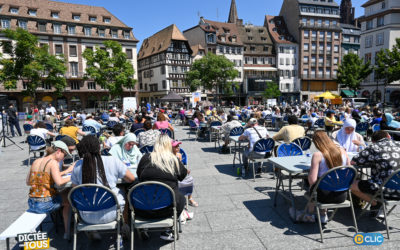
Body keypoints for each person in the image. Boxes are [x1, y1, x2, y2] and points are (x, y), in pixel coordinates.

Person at [71, 135, 135, 239]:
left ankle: (94, 231)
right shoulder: (112, 161)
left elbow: (75, 189)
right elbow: (131, 179)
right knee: (124, 190)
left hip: (86, 216)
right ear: (99, 147)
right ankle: (124, 225)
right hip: (112, 213)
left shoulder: (78, 165)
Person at [136, 135, 188, 241]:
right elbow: (182, 176)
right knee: (181, 198)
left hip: (143, 208)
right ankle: (167, 228)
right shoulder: (173, 159)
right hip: (167, 208)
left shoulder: (145, 157)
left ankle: (144, 226)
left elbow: (139, 176)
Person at [27, 141, 73, 239]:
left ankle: (60, 222)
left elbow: (28, 182)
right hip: (44, 204)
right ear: (59, 151)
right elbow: (60, 182)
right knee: (69, 198)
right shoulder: (53, 163)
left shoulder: (36, 161)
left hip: (31, 202)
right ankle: (67, 232)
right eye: (64, 155)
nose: (63, 158)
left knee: (63, 193)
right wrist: (73, 176)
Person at [304, 130, 351, 223]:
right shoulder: (343, 151)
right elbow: (349, 172)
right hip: (342, 195)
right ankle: (322, 215)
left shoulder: (318, 155)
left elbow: (312, 180)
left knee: (312, 185)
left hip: (324, 196)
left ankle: (310, 214)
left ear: (316, 143)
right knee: (324, 184)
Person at [351, 131, 400, 217]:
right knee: (368, 171)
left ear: (373, 141)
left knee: (352, 184)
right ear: (389, 136)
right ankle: (372, 202)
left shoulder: (374, 147)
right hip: (397, 188)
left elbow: (354, 162)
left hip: (385, 190)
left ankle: (374, 203)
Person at [172, 140, 198, 207]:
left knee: (189, 179)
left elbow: (180, 166)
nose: (178, 147)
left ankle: (190, 198)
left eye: (178, 146)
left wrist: (185, 170)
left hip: (178, 173)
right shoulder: (169, 155)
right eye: (176, 146)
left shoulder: (179, 155)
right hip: (172, 174)